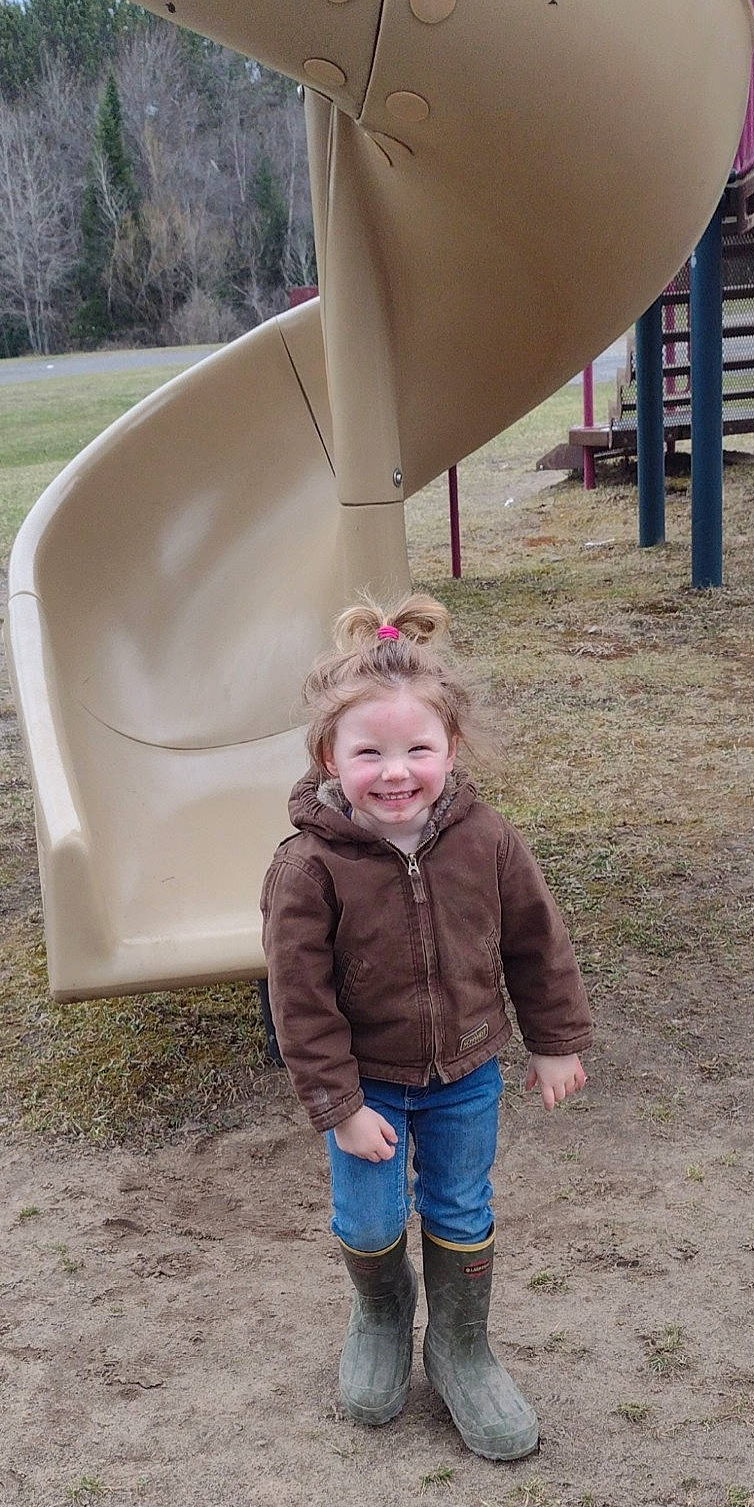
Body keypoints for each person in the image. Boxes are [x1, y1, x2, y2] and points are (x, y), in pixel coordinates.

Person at [260, 593, 592, 1462]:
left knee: (459, 1203)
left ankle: (460, 1345)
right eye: (368, 751)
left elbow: (536, 942)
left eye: (419, 749)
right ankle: (379, 1315)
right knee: (370, 1221)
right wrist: (338, 1104)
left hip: (466, 1076)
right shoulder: (309, 866)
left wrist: (556, 1041)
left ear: (451, 749)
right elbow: (299, 999)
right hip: (366, 1085)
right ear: (329, 756)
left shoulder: (486, 838)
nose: (395, 771)